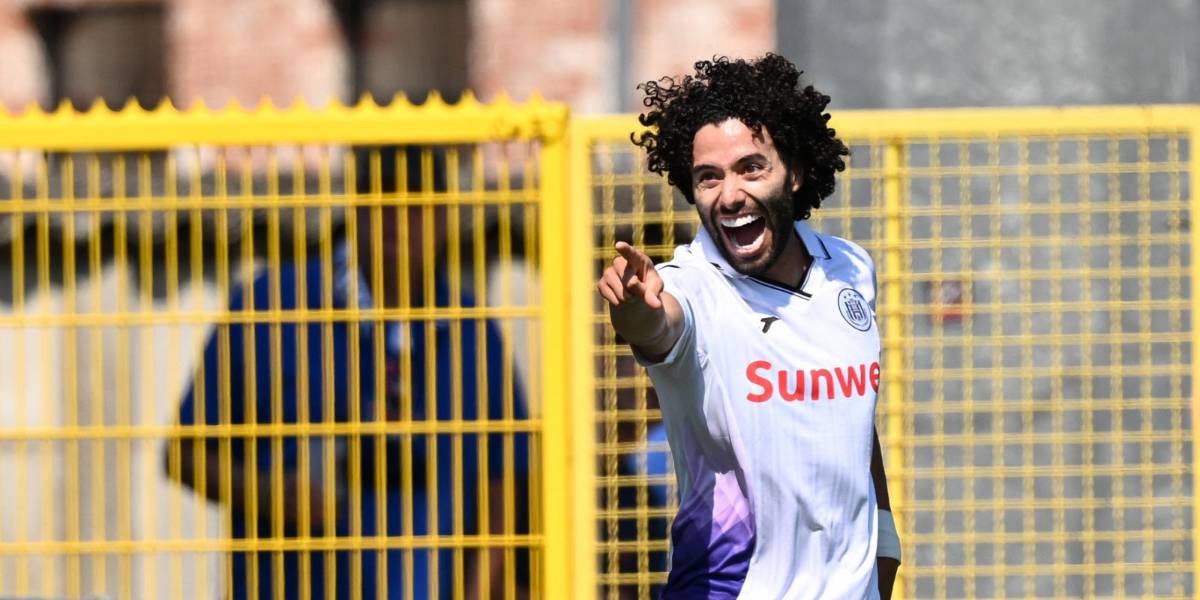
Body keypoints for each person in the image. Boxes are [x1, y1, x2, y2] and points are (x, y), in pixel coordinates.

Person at [597, 54, 901, 598]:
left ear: (795, 173)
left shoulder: (851, 268)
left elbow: (853, 422)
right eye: (709, 177)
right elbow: (658, 325)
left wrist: (886, 544)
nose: (730, 194)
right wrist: (634, 308)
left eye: (751, 168)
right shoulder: (689, 286)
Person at [164, 147, 530, 599]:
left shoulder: (473, 331)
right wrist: (269, 493)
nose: (397, 217)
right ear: (355, 207)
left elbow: (505, 481)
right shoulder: (273, 305)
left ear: (443, 217)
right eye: (382, 197)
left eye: (416, 202)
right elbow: (182, 453)